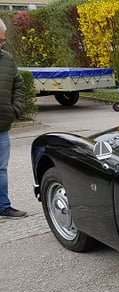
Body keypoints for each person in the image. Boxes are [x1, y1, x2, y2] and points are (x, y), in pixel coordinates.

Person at [0, 18, 27, 219]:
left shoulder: (7, 59)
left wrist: (15, 110)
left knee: (1, 169)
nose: (2, 44)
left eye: (3, 40)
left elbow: (19, 85)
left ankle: (3, 206)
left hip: (2, 126)